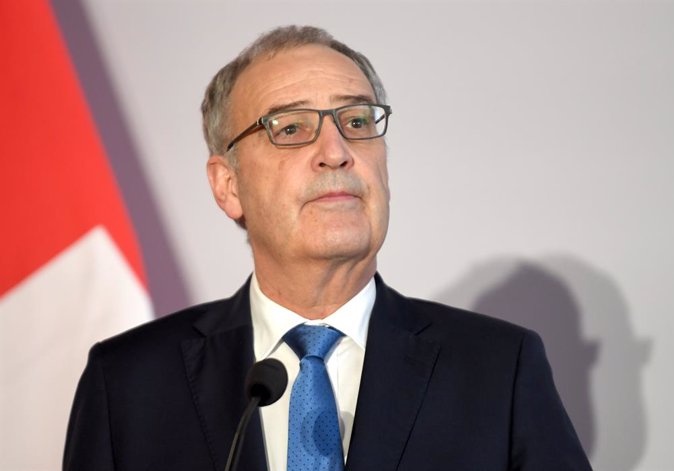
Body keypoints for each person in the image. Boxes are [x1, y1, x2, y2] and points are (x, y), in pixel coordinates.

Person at [63, 25, 592, 471]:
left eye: (357, 121)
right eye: (290, 128)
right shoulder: (129, 384)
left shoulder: (499, 370)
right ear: (228, 186)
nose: (336, 151)